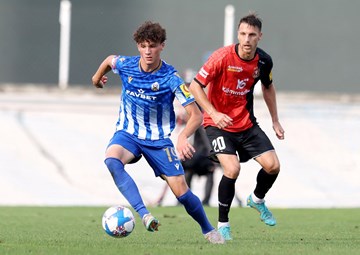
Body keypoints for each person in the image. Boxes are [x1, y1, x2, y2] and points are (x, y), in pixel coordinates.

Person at [91, 21, 224, 244]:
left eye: (152, 46)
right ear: (138, 47)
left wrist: (182, 137)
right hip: (128, 132)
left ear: (162, 46)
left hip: (158, 140)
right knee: (112, 160)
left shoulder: (171, 78)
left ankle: (209, 230)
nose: (147, 51)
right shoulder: (126, 64)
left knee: (181, 192)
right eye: (143, 46)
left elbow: (196, 115)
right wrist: (96, 79)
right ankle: (144, 214)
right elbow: (109, 60)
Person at [188, 13, 285, 241]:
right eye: (243, 34)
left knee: (273, 166)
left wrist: (275, 120)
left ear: (259, 36)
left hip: (246, 124)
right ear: (238, 34)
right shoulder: (221, 57)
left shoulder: (263, 61)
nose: (247, 39)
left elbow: (268, 87)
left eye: (252, 34)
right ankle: (223, 224)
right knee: (231, 169)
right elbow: (195, 86)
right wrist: (213, 113)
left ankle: (257, 199)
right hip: (217, 124)